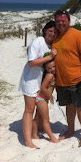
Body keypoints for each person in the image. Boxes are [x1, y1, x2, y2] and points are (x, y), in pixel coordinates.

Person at [53, 10, 81, 146]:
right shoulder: (55, 37)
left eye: (63, 21)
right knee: (69, 106)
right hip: (61, 81)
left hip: (77, 79)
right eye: (58, 21)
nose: (60, 23)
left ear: (69, 21)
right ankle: (70, 130)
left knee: (79, 106)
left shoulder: (78, 35)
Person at [18, 21, 57, 149]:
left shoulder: (52, 45)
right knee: (29, 110)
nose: (52, 33)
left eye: (55, 32)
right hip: (30, 79)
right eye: (50, 31)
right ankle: (28, 141)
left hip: (40, 80)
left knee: (40, 110)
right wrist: (50, 56)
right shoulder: (38, 41)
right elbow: (32, 62)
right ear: (45, 30)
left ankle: (35, 133)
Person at [32, 59, 60, 143]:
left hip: (43, 98)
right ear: (46, 69)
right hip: (41, 98)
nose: (52, 69)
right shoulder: (49, 76)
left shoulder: (54, 75)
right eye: (49, 68)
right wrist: (50, 96)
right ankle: (51, 137)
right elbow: (43, 87)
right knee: (46, 119)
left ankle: (34, 134)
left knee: (38, 117)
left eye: (54, 67)